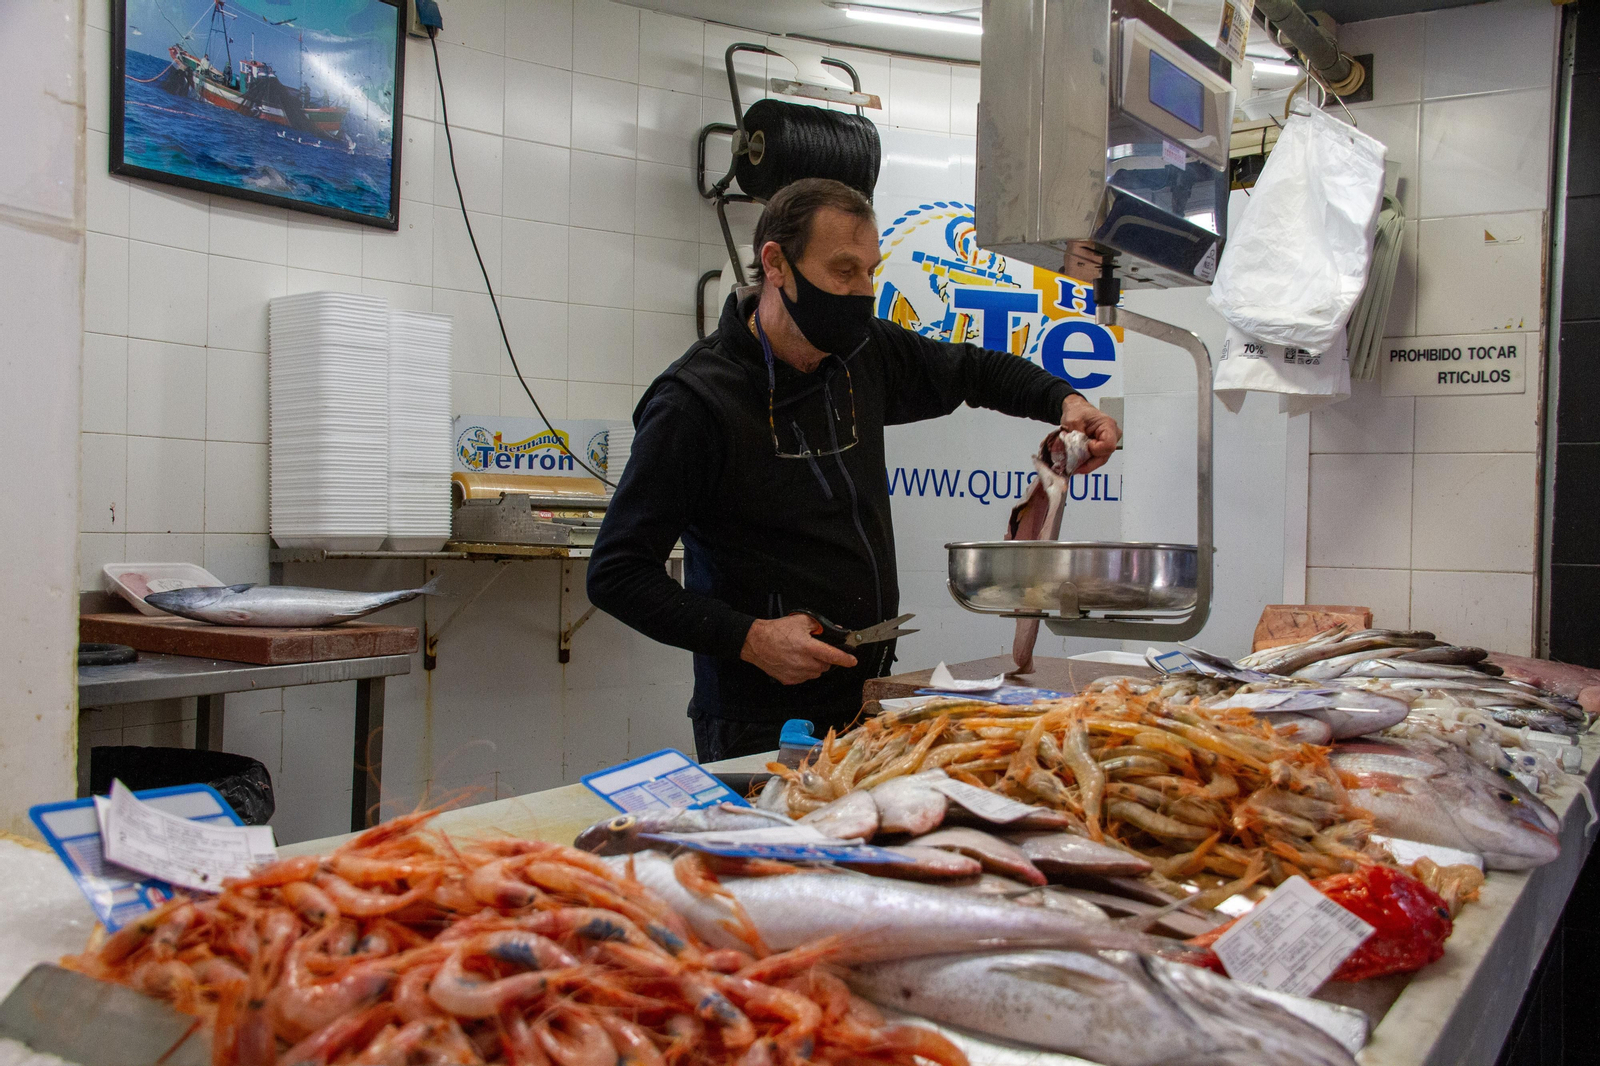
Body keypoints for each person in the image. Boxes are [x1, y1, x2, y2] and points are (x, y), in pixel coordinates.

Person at [587, 178, 1121, 762]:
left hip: (867, 698)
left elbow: (972, 371)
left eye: (870, 271)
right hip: (759, 721)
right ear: (776, 264)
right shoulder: (694, 403)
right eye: (844, 271)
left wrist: (1066, 401)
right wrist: (749, 638)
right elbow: (617, 572)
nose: (863, 293)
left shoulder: (862, 353)